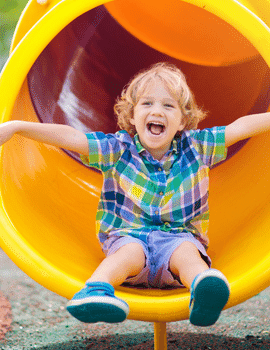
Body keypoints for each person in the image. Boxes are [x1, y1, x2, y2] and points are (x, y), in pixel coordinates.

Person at [0, 62, 269, 327]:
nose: (157, 111)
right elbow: (72, 137)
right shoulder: (117, 148)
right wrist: (19, 127)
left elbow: (239, 128)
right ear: (132, 116)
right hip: (129, 237)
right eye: (147, 103)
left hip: (177, 239)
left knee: (187, 253)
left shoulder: (197, 146)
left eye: (168, 105)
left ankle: (203, 289)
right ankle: (96, 291)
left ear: (182, 121)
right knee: (128, 252)